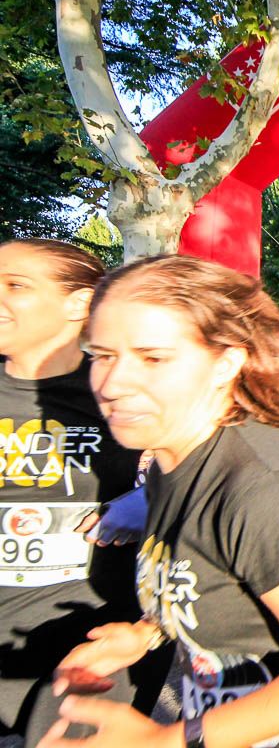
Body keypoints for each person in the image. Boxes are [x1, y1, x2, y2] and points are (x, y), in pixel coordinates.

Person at [47, 255, 279, 747]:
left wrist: (165, 741)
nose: (111, 383)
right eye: (103, 354)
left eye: (153, 358)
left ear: (225, 363)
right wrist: (147, 633)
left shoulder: (267, 488)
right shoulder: (175, 465)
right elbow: (220, 587)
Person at [0, 240, 166, 745]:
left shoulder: (122, 391)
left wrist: (159, 493)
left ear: (78, 304)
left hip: (90, 648)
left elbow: (220, 481)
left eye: (15, 285)